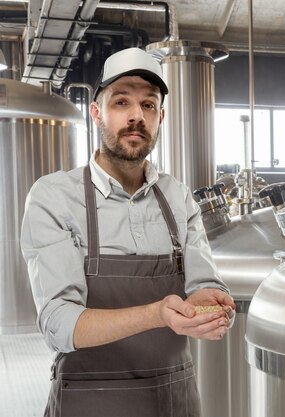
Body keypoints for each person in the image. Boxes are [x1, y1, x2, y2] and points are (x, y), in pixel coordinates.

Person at [20, 47, 236, 417]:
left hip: (176, 401)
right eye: (121, 102)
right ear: (96, 113)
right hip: (90, 401)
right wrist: (157, 314)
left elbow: (203, 283)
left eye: (148, 105)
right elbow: (58, 323)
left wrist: (213, 304)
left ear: (161, 117)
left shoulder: (178, 197)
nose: (136, 116)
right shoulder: (55, 196)